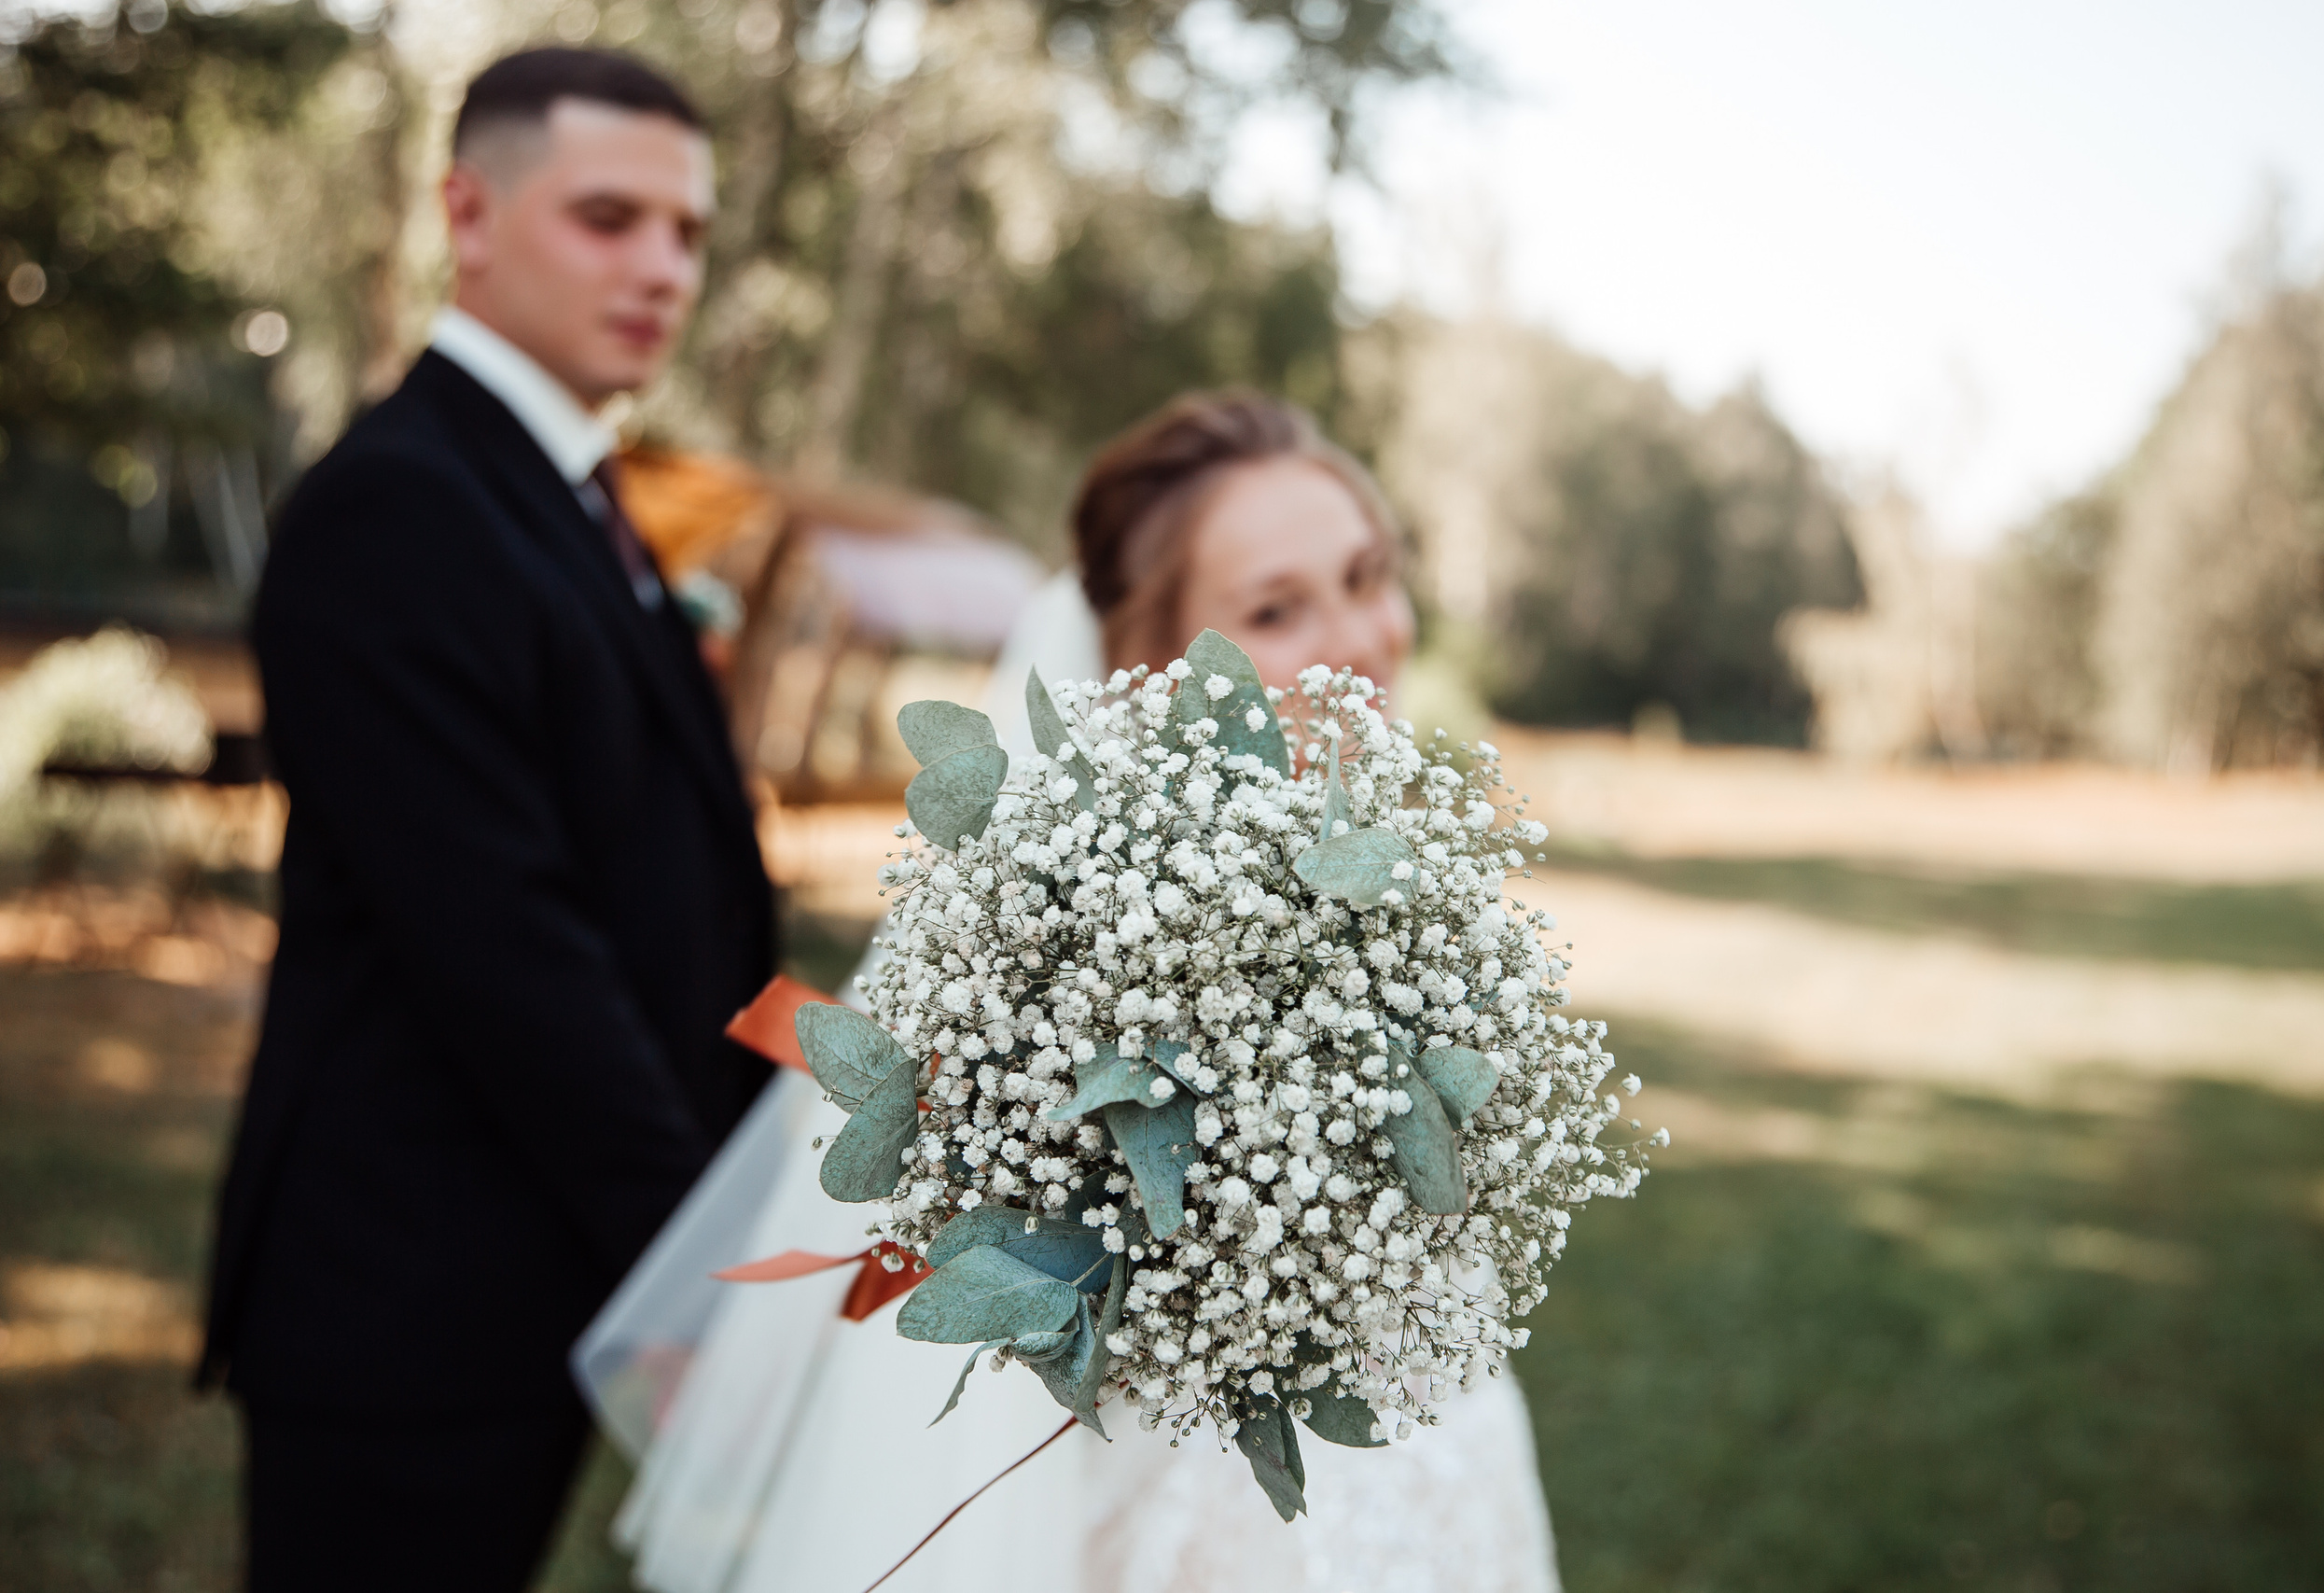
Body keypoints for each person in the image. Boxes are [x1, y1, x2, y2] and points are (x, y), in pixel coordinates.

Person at [590, 391, 1560, 1593]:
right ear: (1145, 667)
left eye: (1369, 577)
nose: (1362, 638)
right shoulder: (1075, 1000)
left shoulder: (1397, 916)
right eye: (1276, 609)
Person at [198, 48, 778, 1593]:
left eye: (688, 232)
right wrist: (701, 1273)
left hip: (531, 1267)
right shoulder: (398, 506)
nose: (662, 270)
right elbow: (506, 949)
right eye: (610, 218)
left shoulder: (573, 491)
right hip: (411, 1291)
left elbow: (661, 868)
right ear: (468, 213)